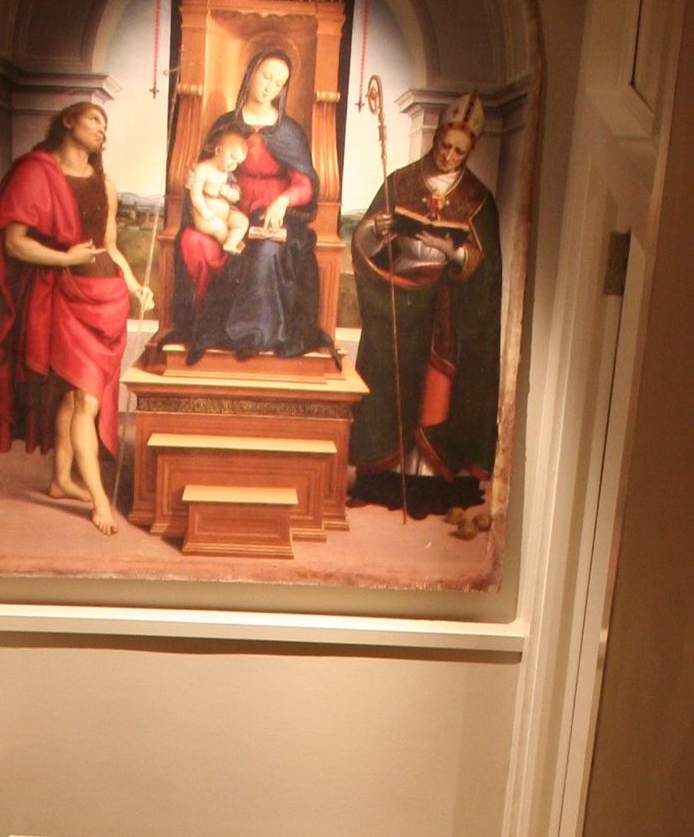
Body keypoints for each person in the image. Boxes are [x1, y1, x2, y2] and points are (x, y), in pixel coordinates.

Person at [0, 101, 150, 534]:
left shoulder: (104, 183)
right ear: (68, 120)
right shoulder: (37, 172)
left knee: (73, 398)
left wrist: (135, 285)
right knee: (84, 401)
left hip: (108, 301)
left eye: (106, 123)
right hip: (66, 299)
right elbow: (14, 243)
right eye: (95, 118)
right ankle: (99, 500)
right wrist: (64, 258)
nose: (102, 128)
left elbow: (110, 247)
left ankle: (60, 480)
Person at [350, 90, 503, 516]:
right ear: (435, 138)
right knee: (392, 380)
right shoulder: (400, 182)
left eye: (459, 151)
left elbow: (487, 266)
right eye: (444, 145)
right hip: (401, 297)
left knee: (435, 387)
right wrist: (376, 229)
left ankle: (431, 486)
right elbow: (362, 242)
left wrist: (453, 253)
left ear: (470, 151)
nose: (448, 155)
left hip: (445, 305)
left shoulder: (478, 198)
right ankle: (383, 479)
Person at [173, 49, 330, 363]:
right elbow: (209, 166)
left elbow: (305, 185)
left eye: (278, 83)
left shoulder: (288, 131)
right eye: (266, 76)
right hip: (228, 210)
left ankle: (251, 336)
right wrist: (198, 178)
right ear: (251, 73)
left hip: (273, 215)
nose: (270, 87)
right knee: (191, 241)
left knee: (265, 249)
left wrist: (282, 201)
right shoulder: (227, 124)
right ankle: (204, 328)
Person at [186, 129, 252, 256]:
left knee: (242, 221)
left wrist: (229, 193)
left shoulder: (228, 174)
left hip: (225, 214)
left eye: (237, 163)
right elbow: (195, 194)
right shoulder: (202, 169)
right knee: (220, 227)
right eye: (232, 157)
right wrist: (204, 210)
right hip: (205, 216)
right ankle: (228, 246)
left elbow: (236, 197)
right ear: (218, 150)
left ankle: (231, 244)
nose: (233, 164)